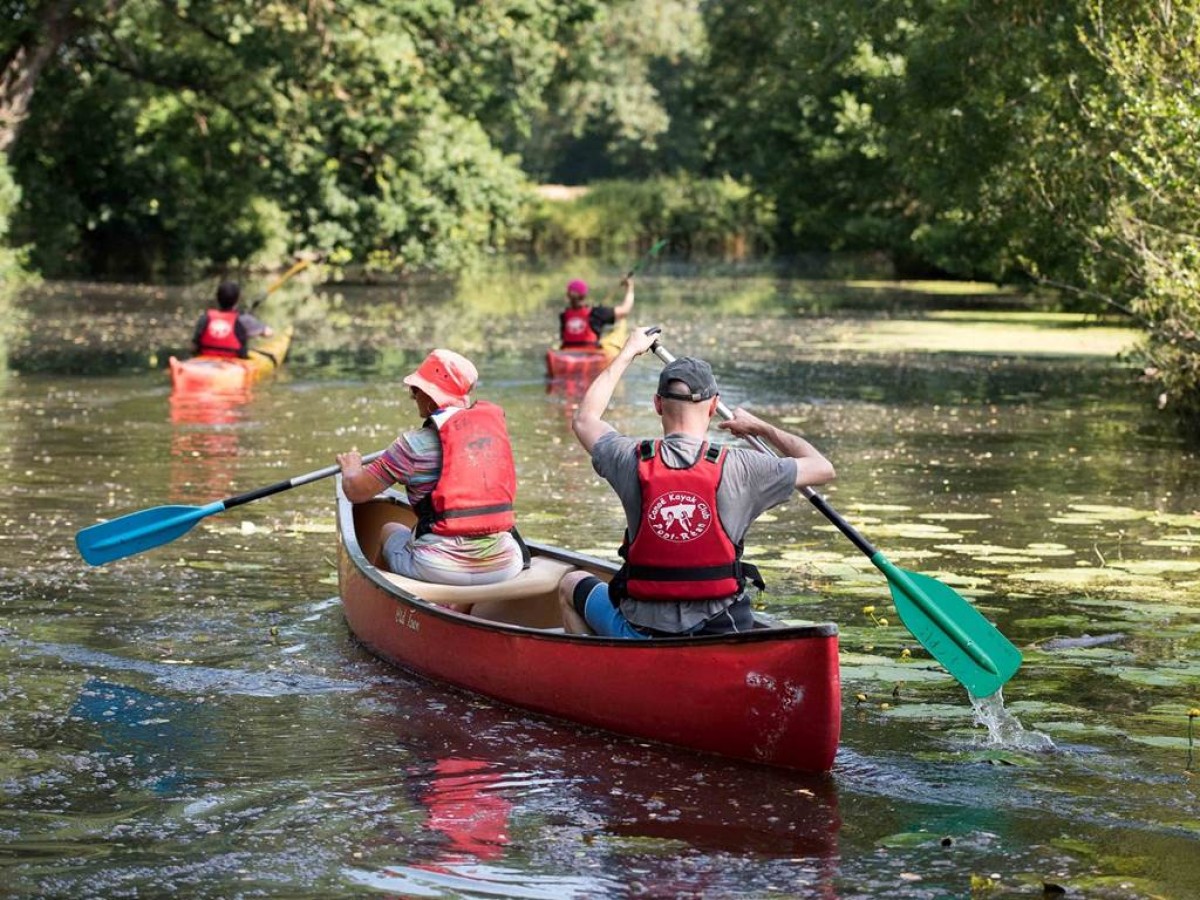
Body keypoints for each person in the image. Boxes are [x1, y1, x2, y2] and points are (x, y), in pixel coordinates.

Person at [559, 326, 837, 638]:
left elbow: (585, 420)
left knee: (571, 583)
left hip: (642, 632)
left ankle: (605, 674)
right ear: (713, 405)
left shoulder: (630, 459)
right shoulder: (744, 466)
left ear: (657, 405)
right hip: (721, 632)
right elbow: (822, 468)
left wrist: (628, 351)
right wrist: (761, 428)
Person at [337, 349, 525, 587]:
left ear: (429, 395)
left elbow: (356, 491)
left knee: (389, 530)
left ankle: (380, 600)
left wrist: (351, 468)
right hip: (505, 564)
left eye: (416, 389)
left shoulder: (411, 446)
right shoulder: (491, 437)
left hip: (439, 568)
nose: (411, 396)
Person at [191, 280, 274, 358]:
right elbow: (268, 333)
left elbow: (194, 345)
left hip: (204, 360)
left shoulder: (205, 318)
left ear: (217, 298)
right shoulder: (244, 319)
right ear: (237, 300)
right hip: (233, 362)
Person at [559, 275, 634, 349]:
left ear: (568, 295)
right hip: (591, 354)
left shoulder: (564, 315)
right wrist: (630, 288)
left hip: (567, 352)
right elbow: (625, 310)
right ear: (584, 295)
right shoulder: (596, 313)